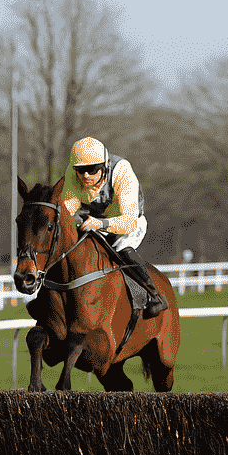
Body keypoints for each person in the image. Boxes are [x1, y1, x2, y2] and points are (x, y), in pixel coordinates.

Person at [62, 136, 168, 318]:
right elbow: (67, 211)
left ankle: (156, 296)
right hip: (94, 223)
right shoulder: (73, 174)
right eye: (80, 170)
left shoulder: (122, 171)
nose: (85, 175)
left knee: (123, 250)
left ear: (103, 166)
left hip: (129, 223)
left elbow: (129, 222)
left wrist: (100, 223)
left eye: (91, 169)